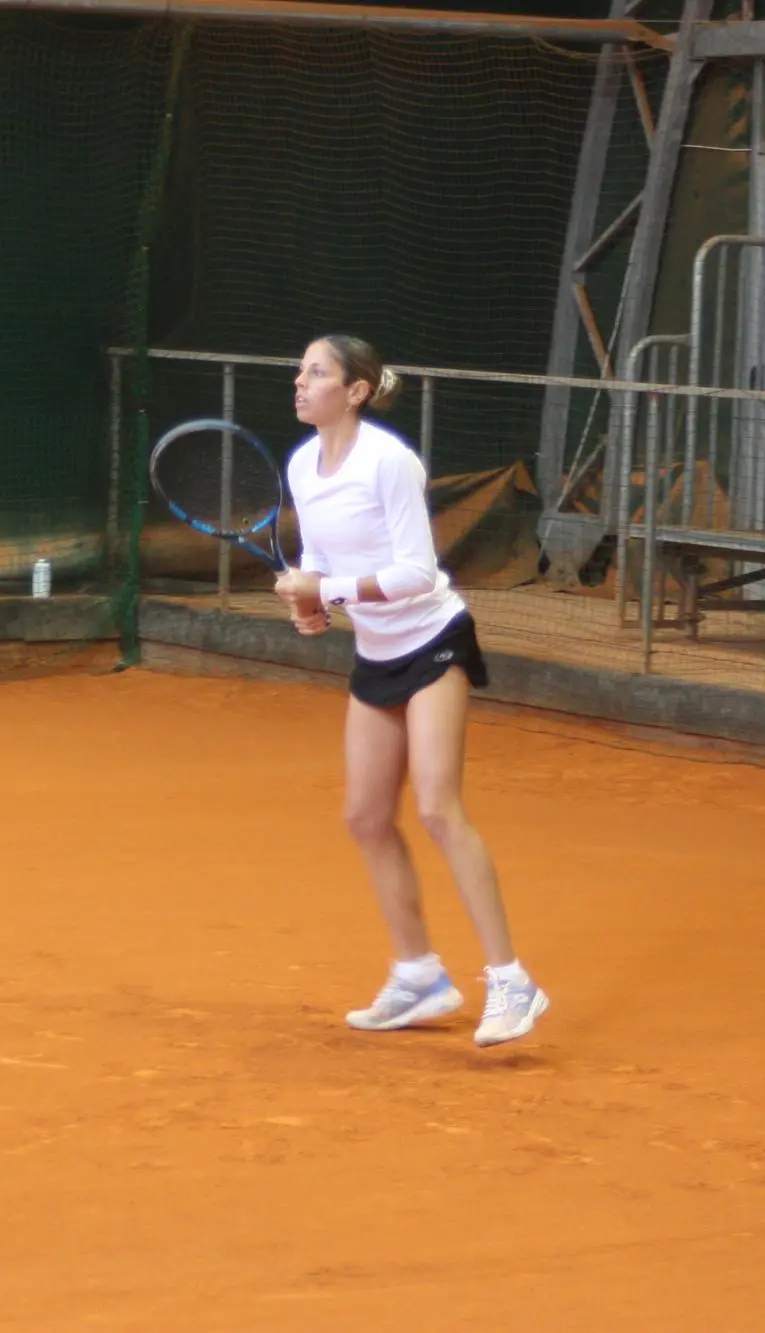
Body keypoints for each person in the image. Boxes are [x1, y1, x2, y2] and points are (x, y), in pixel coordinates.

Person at [273, 334, 548, 1048]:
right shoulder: (304, 464)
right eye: (299, 372)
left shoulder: (388, 461)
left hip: (432, 641)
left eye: (315, 372)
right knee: (365, 815)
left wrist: (325, 587)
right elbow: (321, 558)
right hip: (374, 651)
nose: (298, 383)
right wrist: (313, 602)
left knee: (435, 806)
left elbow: (416, 574)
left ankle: (512, 979)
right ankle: (418, 974)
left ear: (355, 390)